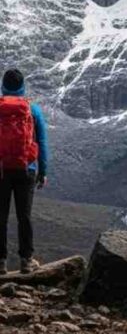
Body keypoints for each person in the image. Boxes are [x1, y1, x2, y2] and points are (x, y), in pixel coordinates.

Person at [0, 69, 49, 275]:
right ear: (22, 86)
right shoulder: (32, 109)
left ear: (3, 85)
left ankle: (0, 263)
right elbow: (42, 142)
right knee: (24, 216)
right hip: (26, 169)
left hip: (1, 170)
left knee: (0, 216)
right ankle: (26, 261)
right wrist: (43, 171)